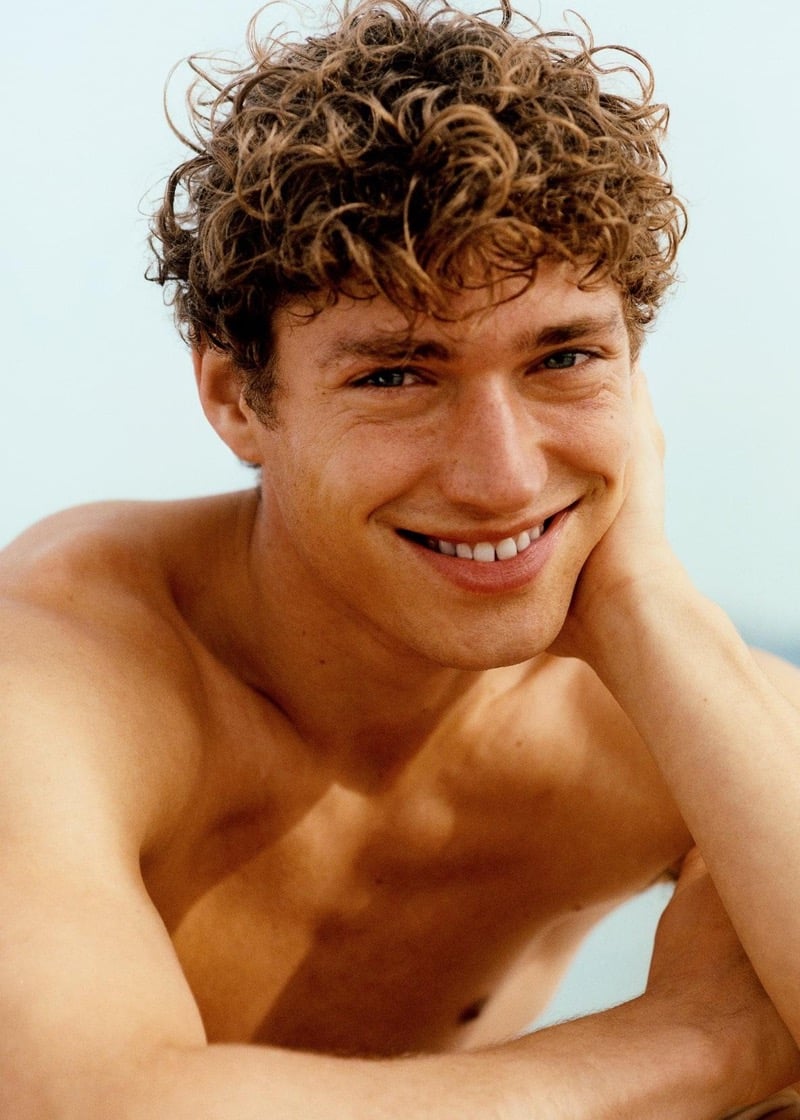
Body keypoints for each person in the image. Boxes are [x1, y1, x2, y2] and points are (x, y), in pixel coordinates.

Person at [1, 1, 800, 1116]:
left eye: (563, 356)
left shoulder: (674, 717)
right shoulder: (60, 668)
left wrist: (644, 598)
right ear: (238, 400)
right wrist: (708, 1046)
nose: (503, 477)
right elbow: (83, 1106)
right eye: (395, 376)